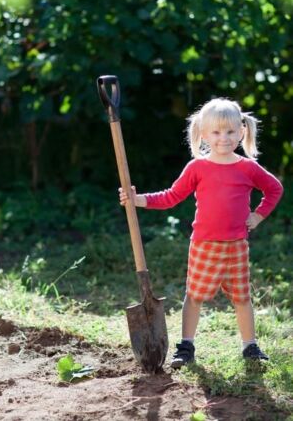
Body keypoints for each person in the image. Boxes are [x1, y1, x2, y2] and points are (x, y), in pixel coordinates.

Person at [119, 98, 283, 369]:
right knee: (194, 297)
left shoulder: (247, 167)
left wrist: (258, 215)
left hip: (236, 246)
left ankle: (250, 346)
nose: (224, 138)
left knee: (242, 298)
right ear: (204, 134)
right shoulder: (197, 167)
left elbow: (274, 188)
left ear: (241, 131)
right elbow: (171, 196)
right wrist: (138, 200)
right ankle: (186, 346)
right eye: (216, 132)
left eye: (230, 131)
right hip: (205, 245)